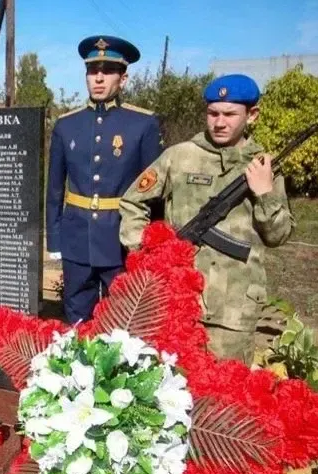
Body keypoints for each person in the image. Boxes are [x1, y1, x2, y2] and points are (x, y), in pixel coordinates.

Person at [119, 73, 293, 364]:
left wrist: (265, 193)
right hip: (176, 300)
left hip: (233, 309)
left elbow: (277, 236)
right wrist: (147, 250)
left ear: (252, 116)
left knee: (225, 396)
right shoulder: (179, 157)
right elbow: (132, 201)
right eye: (213, 113)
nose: (220, 122)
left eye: (230, 114)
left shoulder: (262, 166)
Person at [46, 35, 164, 323]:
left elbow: (154, 193)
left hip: (122, 239)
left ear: (123, 79)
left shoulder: (143, 124)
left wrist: (150, 242)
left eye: (108, 71)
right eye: (92, 71)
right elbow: (54, 190)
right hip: (77, 239)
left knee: (124, 319)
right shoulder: (66, 125)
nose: (98, 78)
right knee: (76, 318)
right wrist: (55, 241)